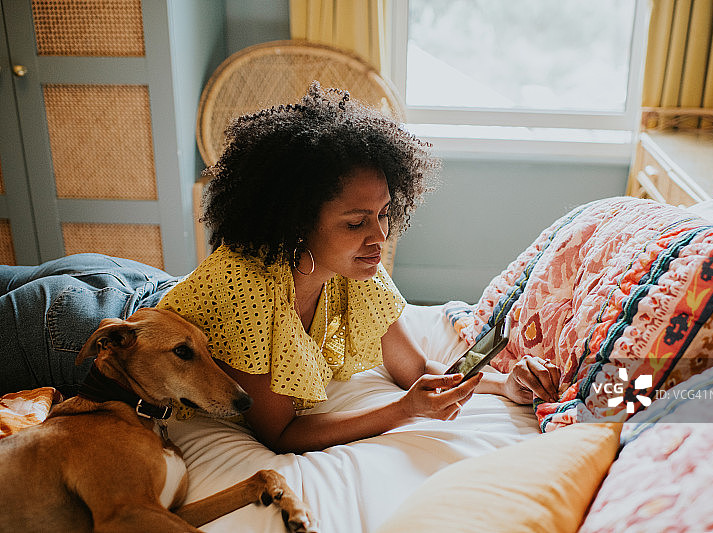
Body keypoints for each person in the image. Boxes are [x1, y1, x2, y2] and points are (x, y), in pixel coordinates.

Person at [0, 83, 560, 453]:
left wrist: (501, 384)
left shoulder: (356, 271)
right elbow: (281, 433)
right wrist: (400, 412)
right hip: (73, 328)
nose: (379, 237)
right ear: (295, 222)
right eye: (355, 221)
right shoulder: (248, 289)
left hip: (130, 284)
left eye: (385, 214)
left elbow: (415, 369)